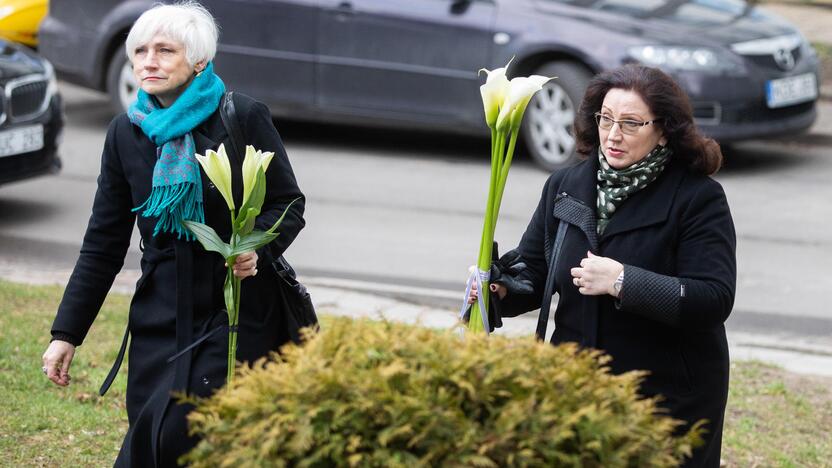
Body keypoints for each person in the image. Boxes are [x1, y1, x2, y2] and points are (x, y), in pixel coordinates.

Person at [40, 2, 305, 465]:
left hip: (235, 310)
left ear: (199, 60)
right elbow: (103, 241)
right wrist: (67, 332)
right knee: (152, 430)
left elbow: (288, 202)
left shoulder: (240, 116)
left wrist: (256, 247)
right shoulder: (126, 132)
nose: (148, 61)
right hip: (159, 316)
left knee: (180, 437)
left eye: (165, 50)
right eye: (140, 50)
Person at [472, 65, 736, 467]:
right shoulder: (566, 186)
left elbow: (713, 298)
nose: (613, 135)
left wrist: (623, 281)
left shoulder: (699, 199)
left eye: (631, 124)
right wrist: (499, 289)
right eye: (606, 119)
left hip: (664, 399)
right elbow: (535, 270)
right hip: (575, 388)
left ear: (664, 130)